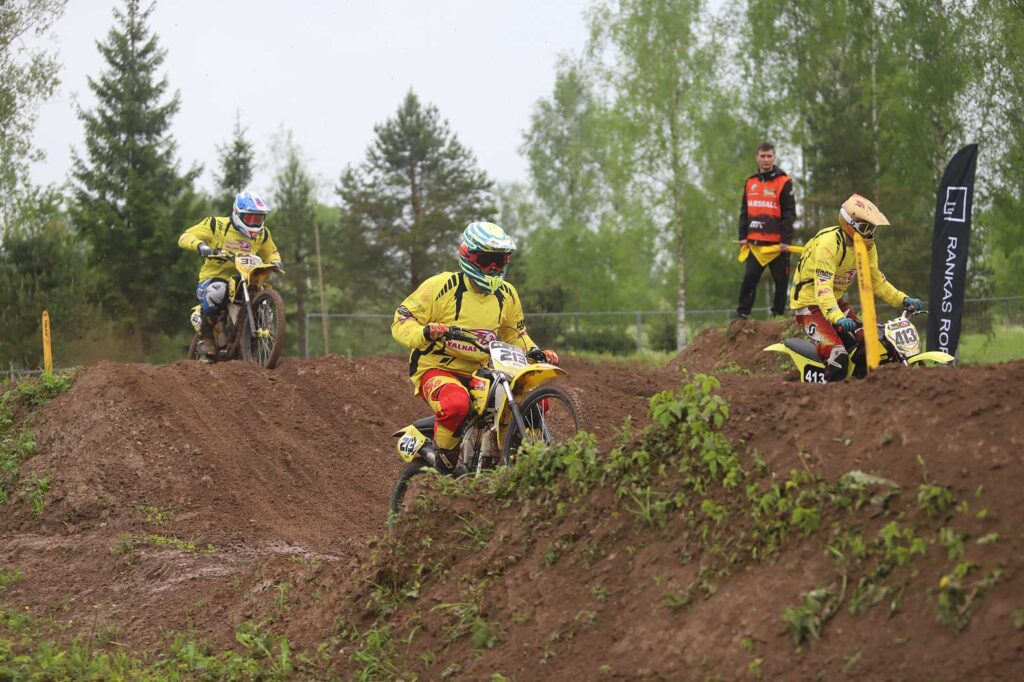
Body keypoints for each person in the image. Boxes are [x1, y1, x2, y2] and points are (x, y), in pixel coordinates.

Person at [391, 221, 559, 474]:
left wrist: (536, 352)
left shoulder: (507, 294)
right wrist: (424, 333)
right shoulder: (440, 286)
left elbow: (515, 334)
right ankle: (444, 461)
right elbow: (401, 320)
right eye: (486, 260)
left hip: (480, 371)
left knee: (534, 401)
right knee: (456, 404)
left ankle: (518, 460)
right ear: (468, 256)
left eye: (499, 261)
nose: (493, 268)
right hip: (436, 368)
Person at [789, 194, 923, 382]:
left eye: (873, 228)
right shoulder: (829, 244)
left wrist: (903, 299)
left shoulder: (868, 247)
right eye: (866, 228)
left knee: (870, 345)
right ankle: (826, 396)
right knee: (838, 357)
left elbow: (877, 281)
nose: (871, 233)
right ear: (850, 225)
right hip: (810, 304)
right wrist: (838, 317)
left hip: (835, 301)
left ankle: (862, 389)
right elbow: (823, 288)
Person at [178, 191, 285, 361]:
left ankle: (252, 341)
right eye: (250, 218)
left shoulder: (262, 234)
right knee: (218, 291)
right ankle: (206, 337)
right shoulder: (216, 225)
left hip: (245, 278)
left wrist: (276, 261)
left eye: (258, 219)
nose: (254, 223)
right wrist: (200, 246)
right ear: (237, 213)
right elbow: (185, 236)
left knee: (264, 298)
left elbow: (271, 252)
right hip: (212, 279)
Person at [735, 141, 796, 319]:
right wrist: (742, 236)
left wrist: (786, 240)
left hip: (778, 245)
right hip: (755, 243)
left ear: (774, 157)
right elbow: (744, 211)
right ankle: (742, 313)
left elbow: (789, 213)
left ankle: (778, 314)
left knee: (781, 281)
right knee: (749, 279)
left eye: (769, 156)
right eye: (763, 156)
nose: (766, 159)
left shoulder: (784, 181)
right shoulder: (750, 182)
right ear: (757, 158)